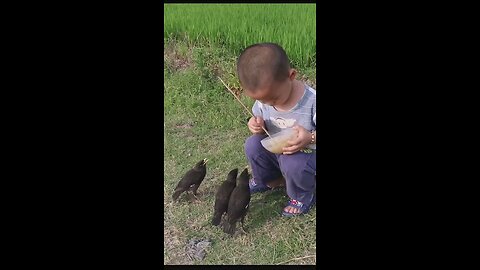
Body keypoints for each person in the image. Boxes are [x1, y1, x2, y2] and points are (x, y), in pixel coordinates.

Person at [237, 43, 316, 217]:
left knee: (293, 163)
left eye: (273, 99)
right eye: (262, 101)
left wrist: (310, 137)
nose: (268, 104)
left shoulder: (312, 101)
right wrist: (255, 124)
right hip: (280, 152)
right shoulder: (266, 99)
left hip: (307, 157)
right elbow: (259, 119)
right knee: (253, 145)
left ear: (291, 76)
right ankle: (269, 180)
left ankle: (302, 196)